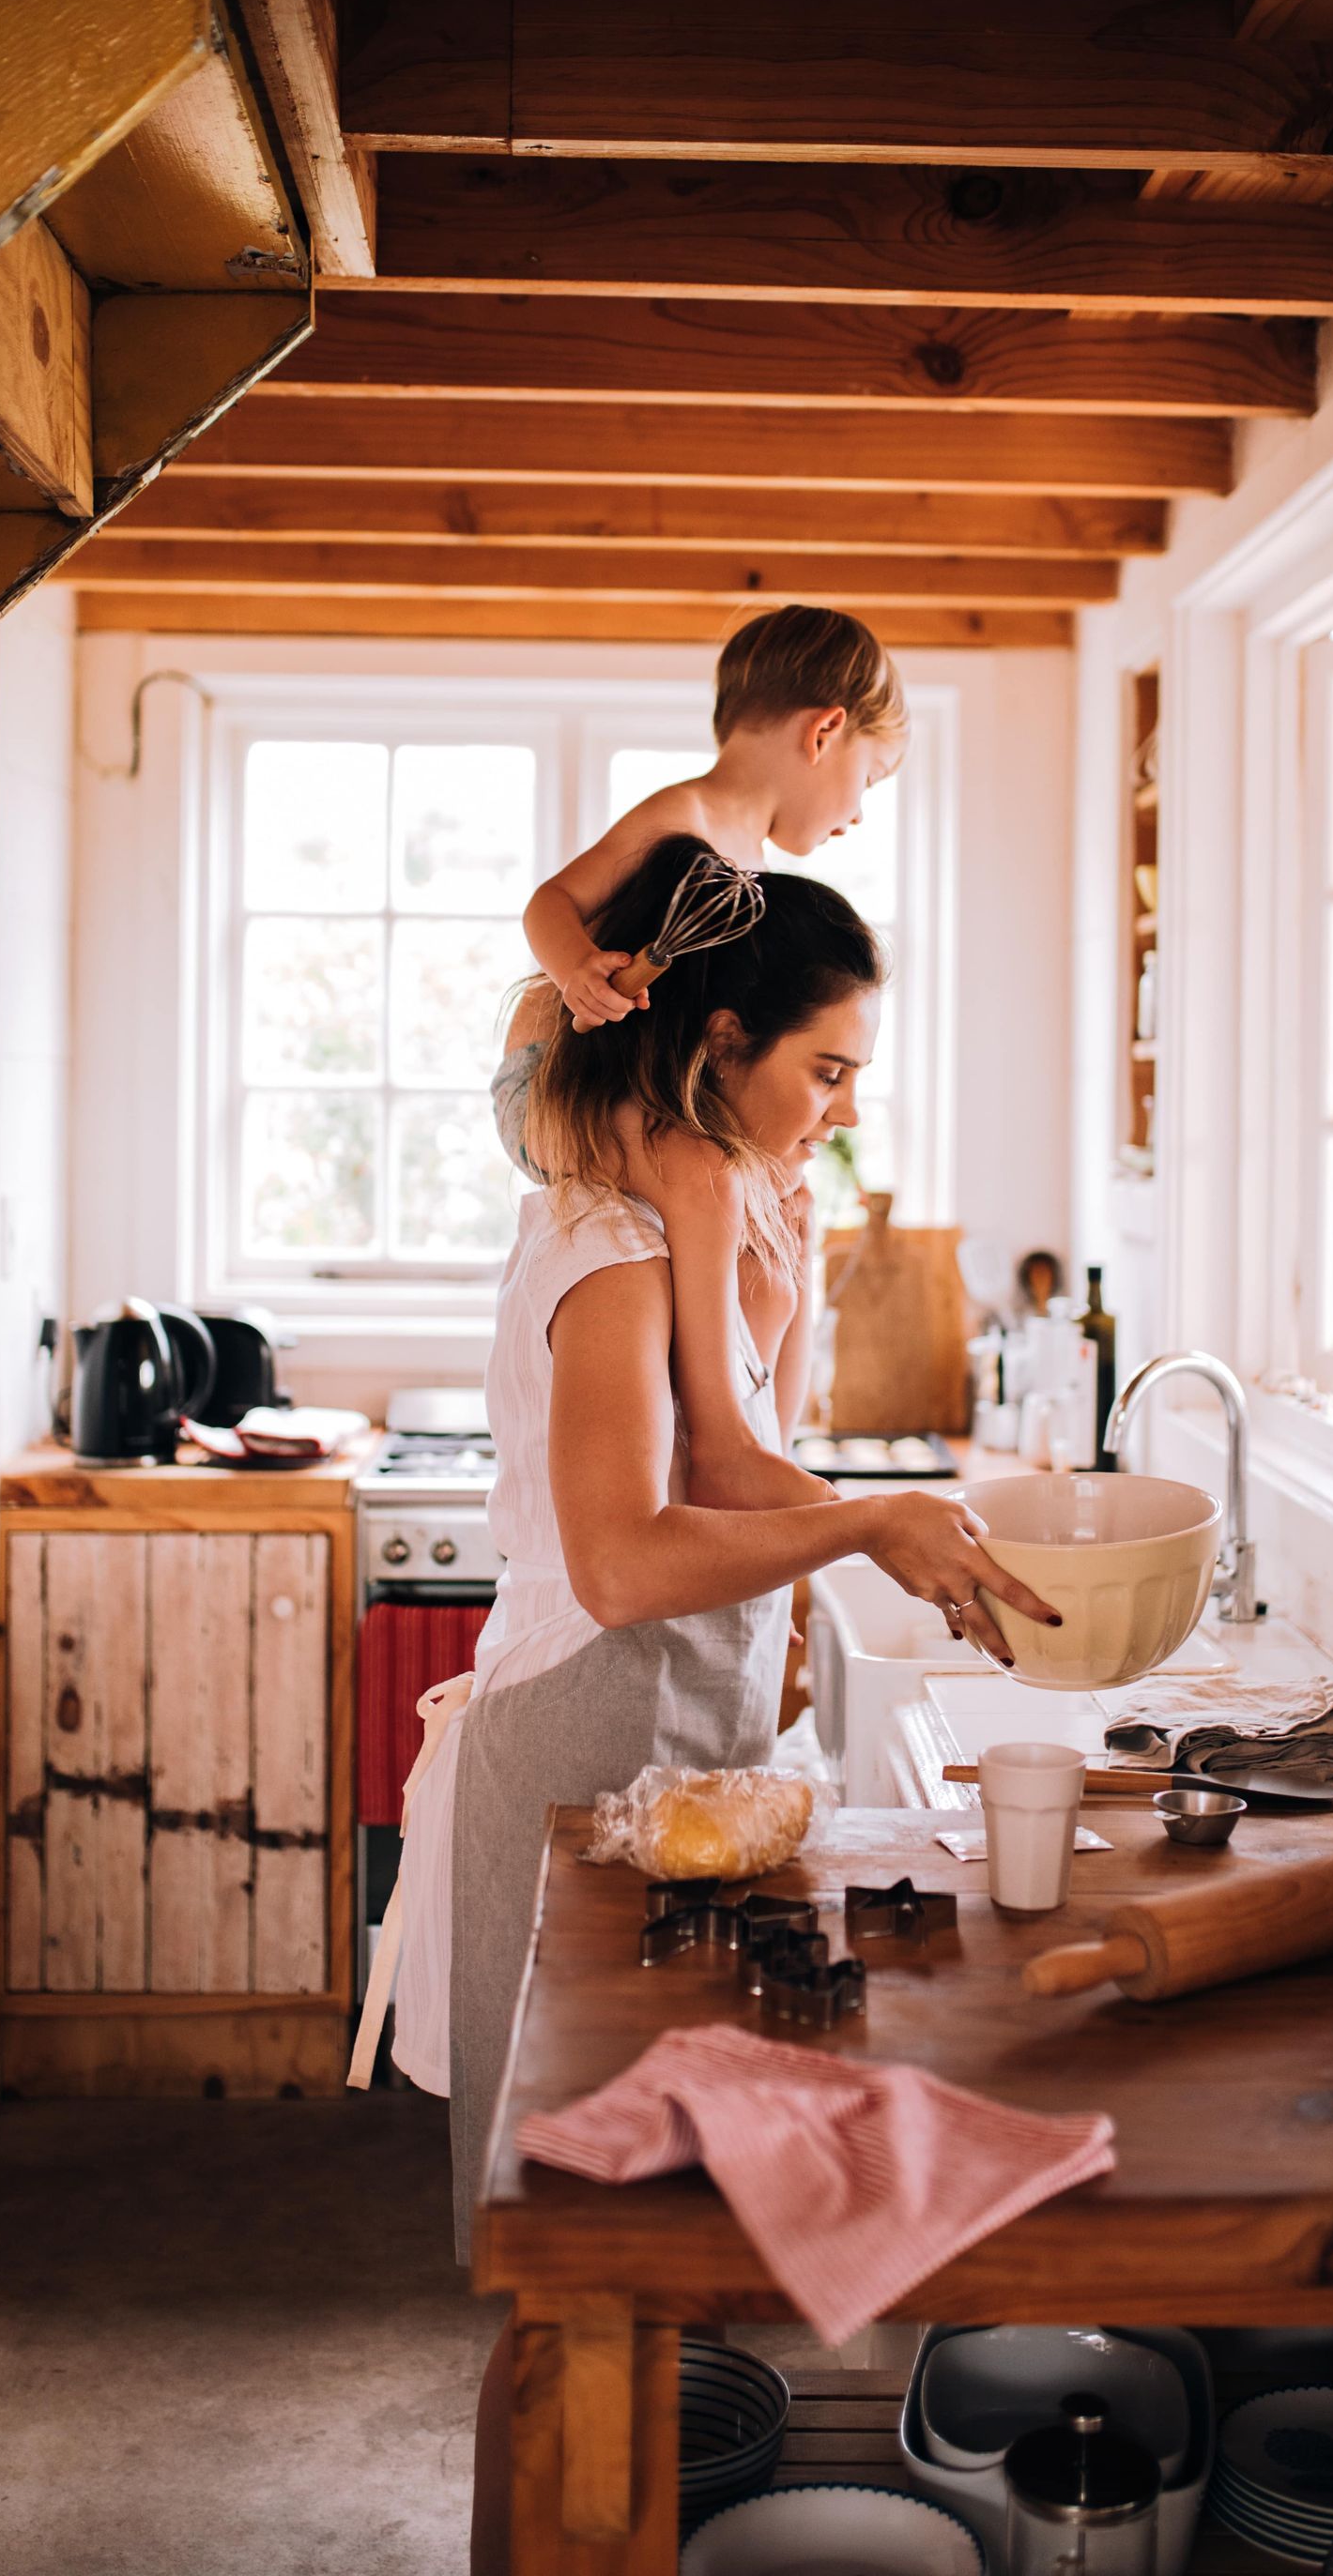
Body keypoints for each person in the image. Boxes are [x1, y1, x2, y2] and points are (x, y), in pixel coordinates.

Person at [387, 834, 1058, 2260]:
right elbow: (624, 1564)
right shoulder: (608, 1252)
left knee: (658, 2229)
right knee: (554, 2241)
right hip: (575, 1745)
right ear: (724, 1037)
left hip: (679, 1749)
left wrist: (781, 1283)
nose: (847, 1111)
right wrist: (872, 1521)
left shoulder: (715, 1225)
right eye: (827, 1072)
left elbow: (741, 1463)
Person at [495, 603, 907, 1511]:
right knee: (711, 1173)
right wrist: (577, 972)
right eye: (868, 778)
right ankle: (726, 1448)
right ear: (826, 730)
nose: (860, 813)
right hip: (557, 1087)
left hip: (655, 1096)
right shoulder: (683, 820)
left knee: (790, 1214)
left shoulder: (757, 875)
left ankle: (763, 1459)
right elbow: (550, 902)